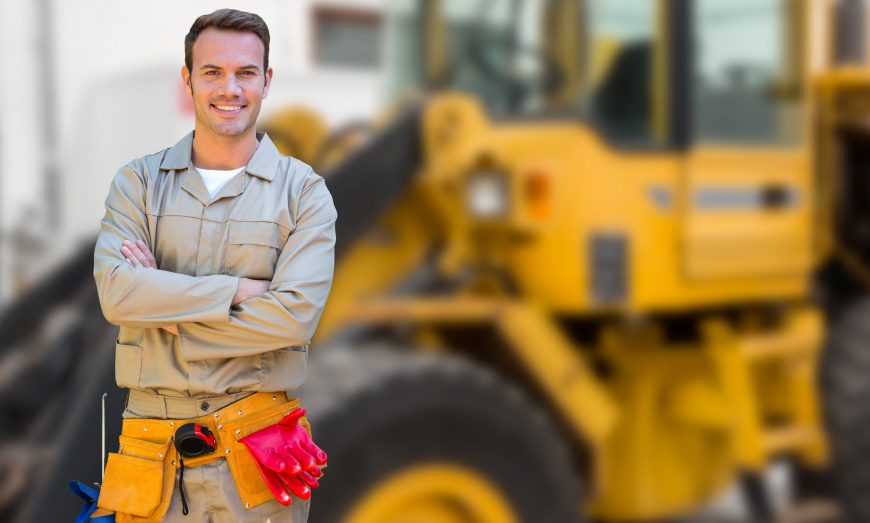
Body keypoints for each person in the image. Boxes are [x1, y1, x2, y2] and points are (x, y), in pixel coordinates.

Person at [91, 9, 336, 523]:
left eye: (246, 72)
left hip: (258, 451)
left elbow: (294, 318)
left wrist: (167, 313)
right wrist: (239, 291)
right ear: (188, 81)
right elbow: (117, 294)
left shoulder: (304, 193)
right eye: (212, 72)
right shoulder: (137, 184)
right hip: (150, 452)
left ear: (267, 81)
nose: (231, 88)